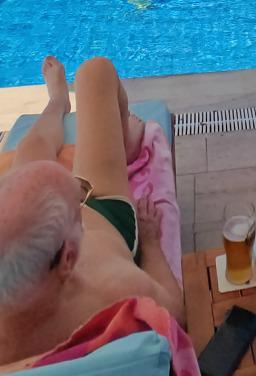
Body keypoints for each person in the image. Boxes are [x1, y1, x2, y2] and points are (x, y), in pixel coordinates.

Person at [0, 56, 184, 369]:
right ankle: (125, 144)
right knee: (95, 72)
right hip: (108, 214)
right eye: (78, 194)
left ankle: (58, 102)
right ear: (69, 258)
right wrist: (151, 241)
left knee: (32, 148)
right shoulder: (114, 290)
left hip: (32, 237)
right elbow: (175, 317)